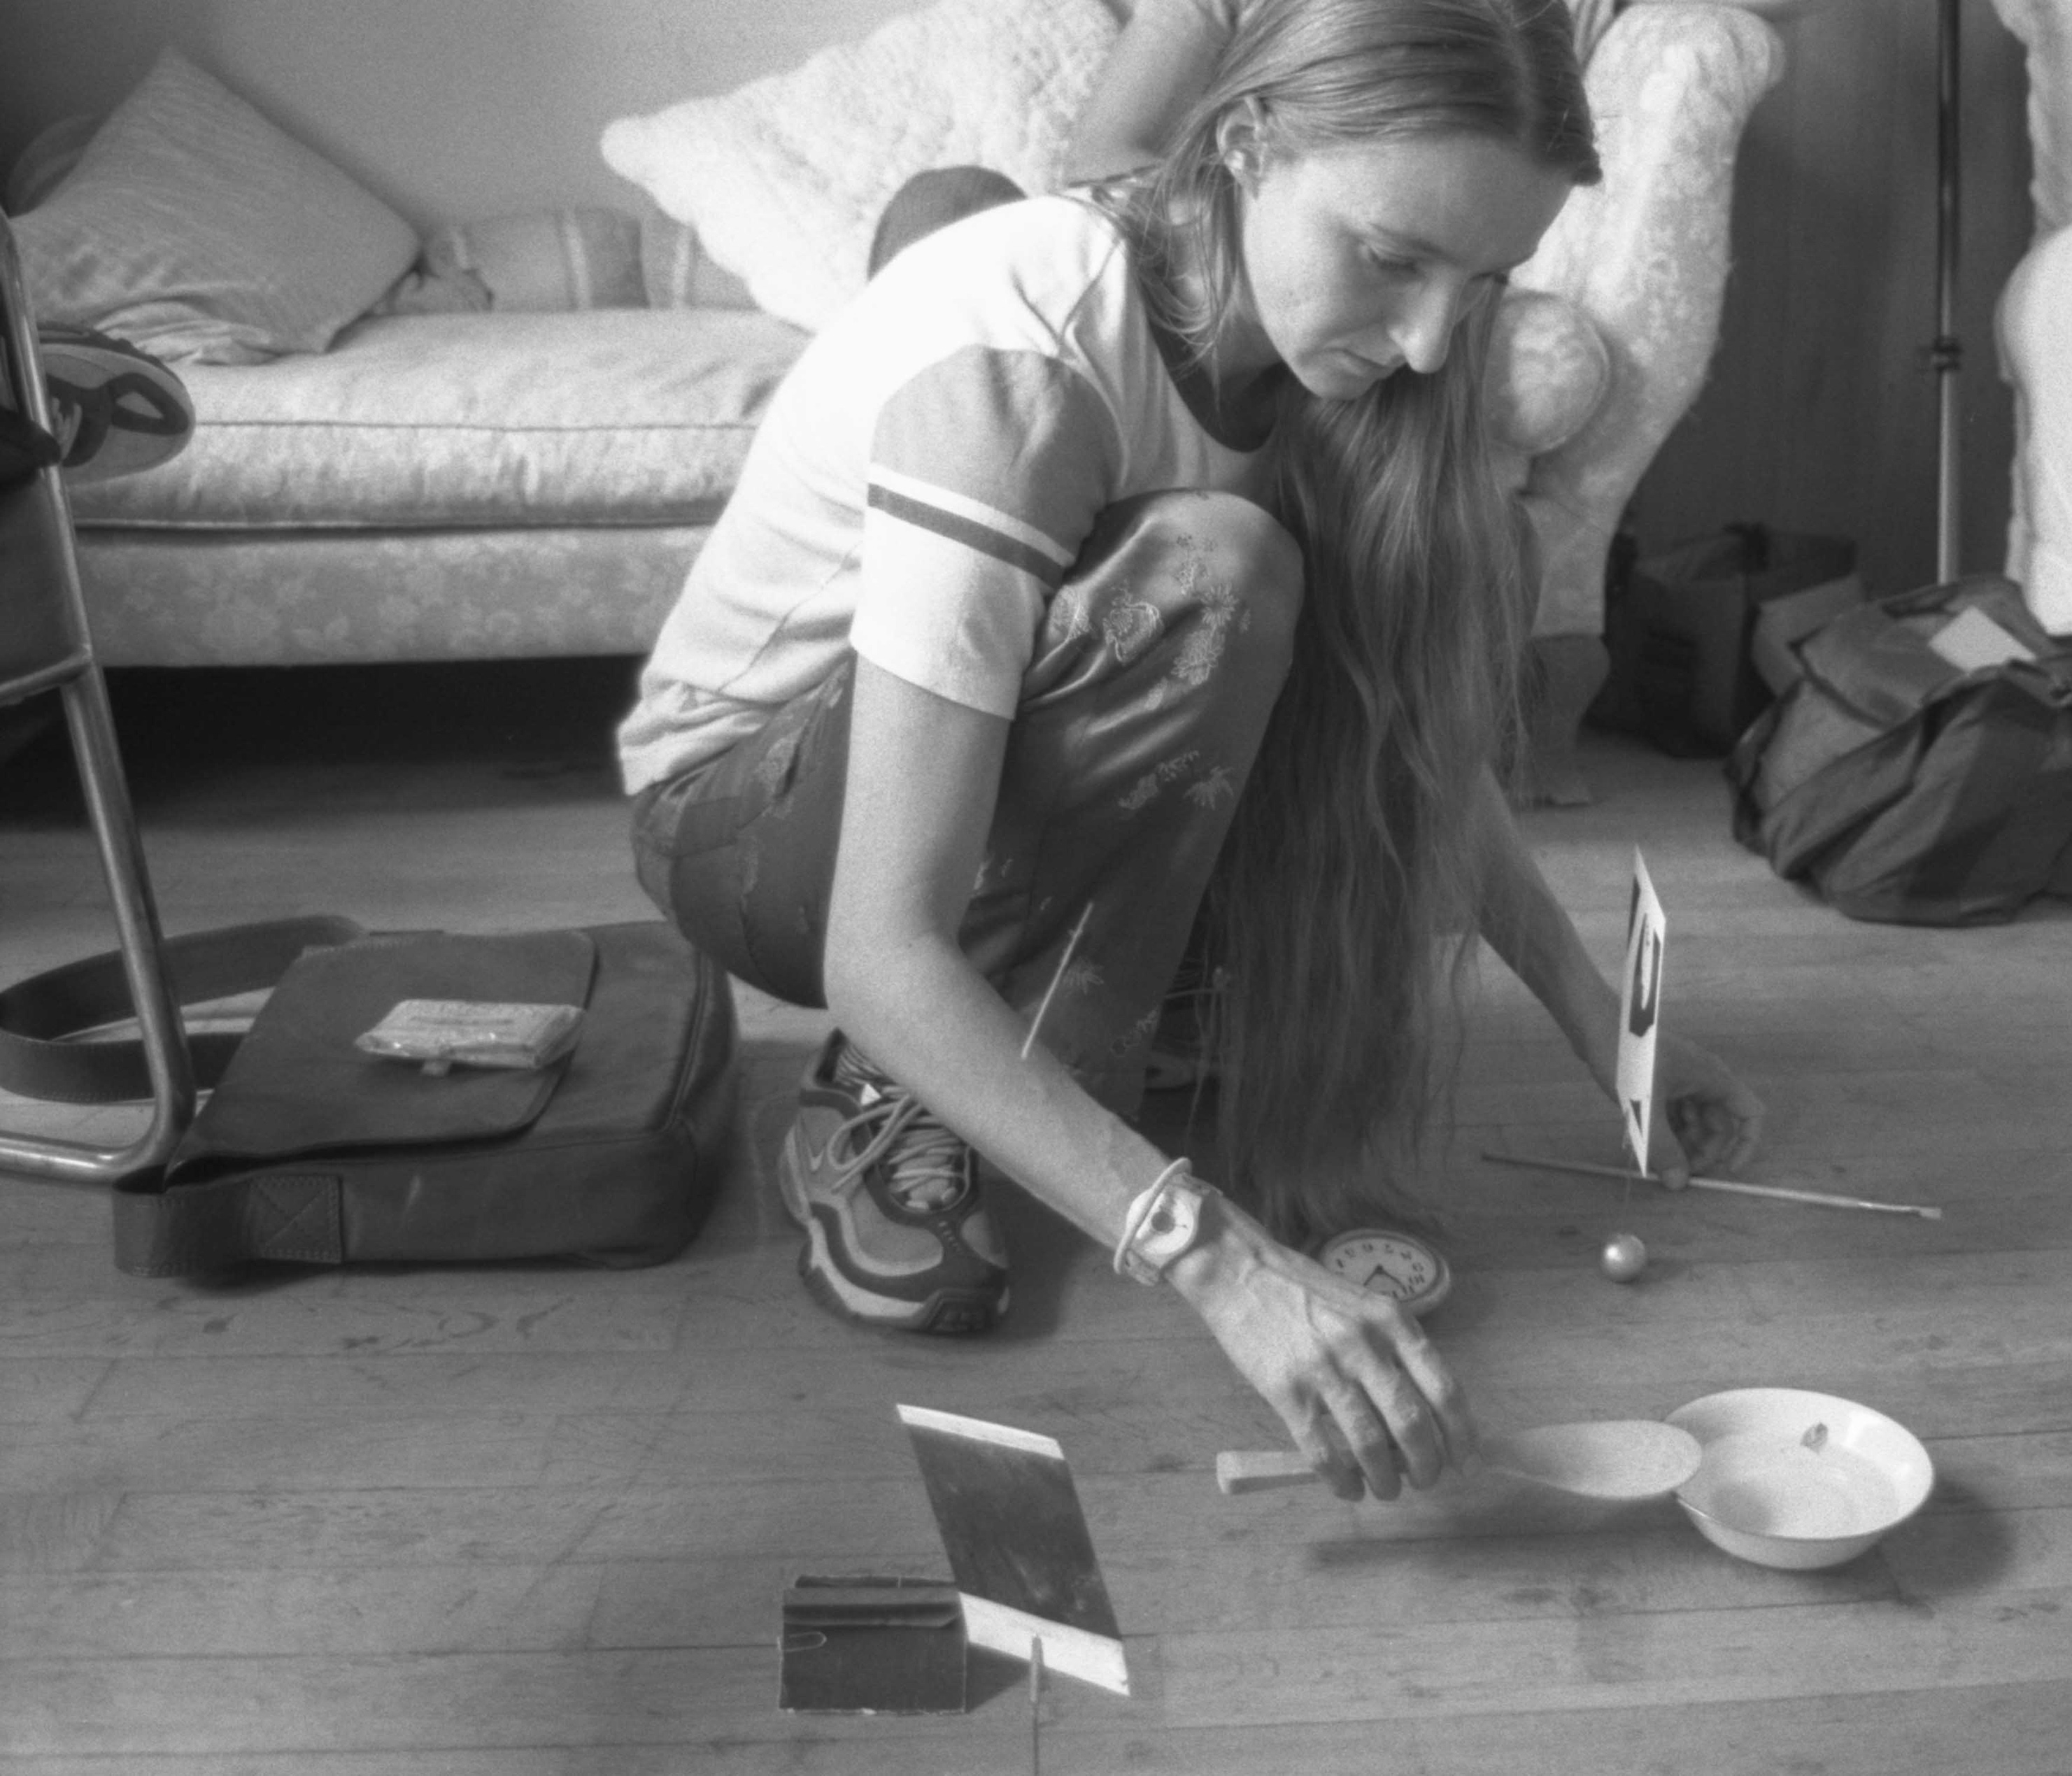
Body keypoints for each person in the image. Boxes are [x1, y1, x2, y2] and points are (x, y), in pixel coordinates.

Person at [618, 0, 1764, 1504]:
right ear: (1243, 145)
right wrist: (1221, 1262)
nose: (1432, 342)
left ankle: (1045, 1035)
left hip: (970, 790)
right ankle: (885, 1095)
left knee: (1342, 596)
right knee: (1215, 576)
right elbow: (879, 946)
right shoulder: (1026, 350)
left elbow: (1410, 740)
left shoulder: (1347, 359)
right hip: (756, 823)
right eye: (1392, 257)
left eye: (1482, 283)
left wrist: (1607, 1026)